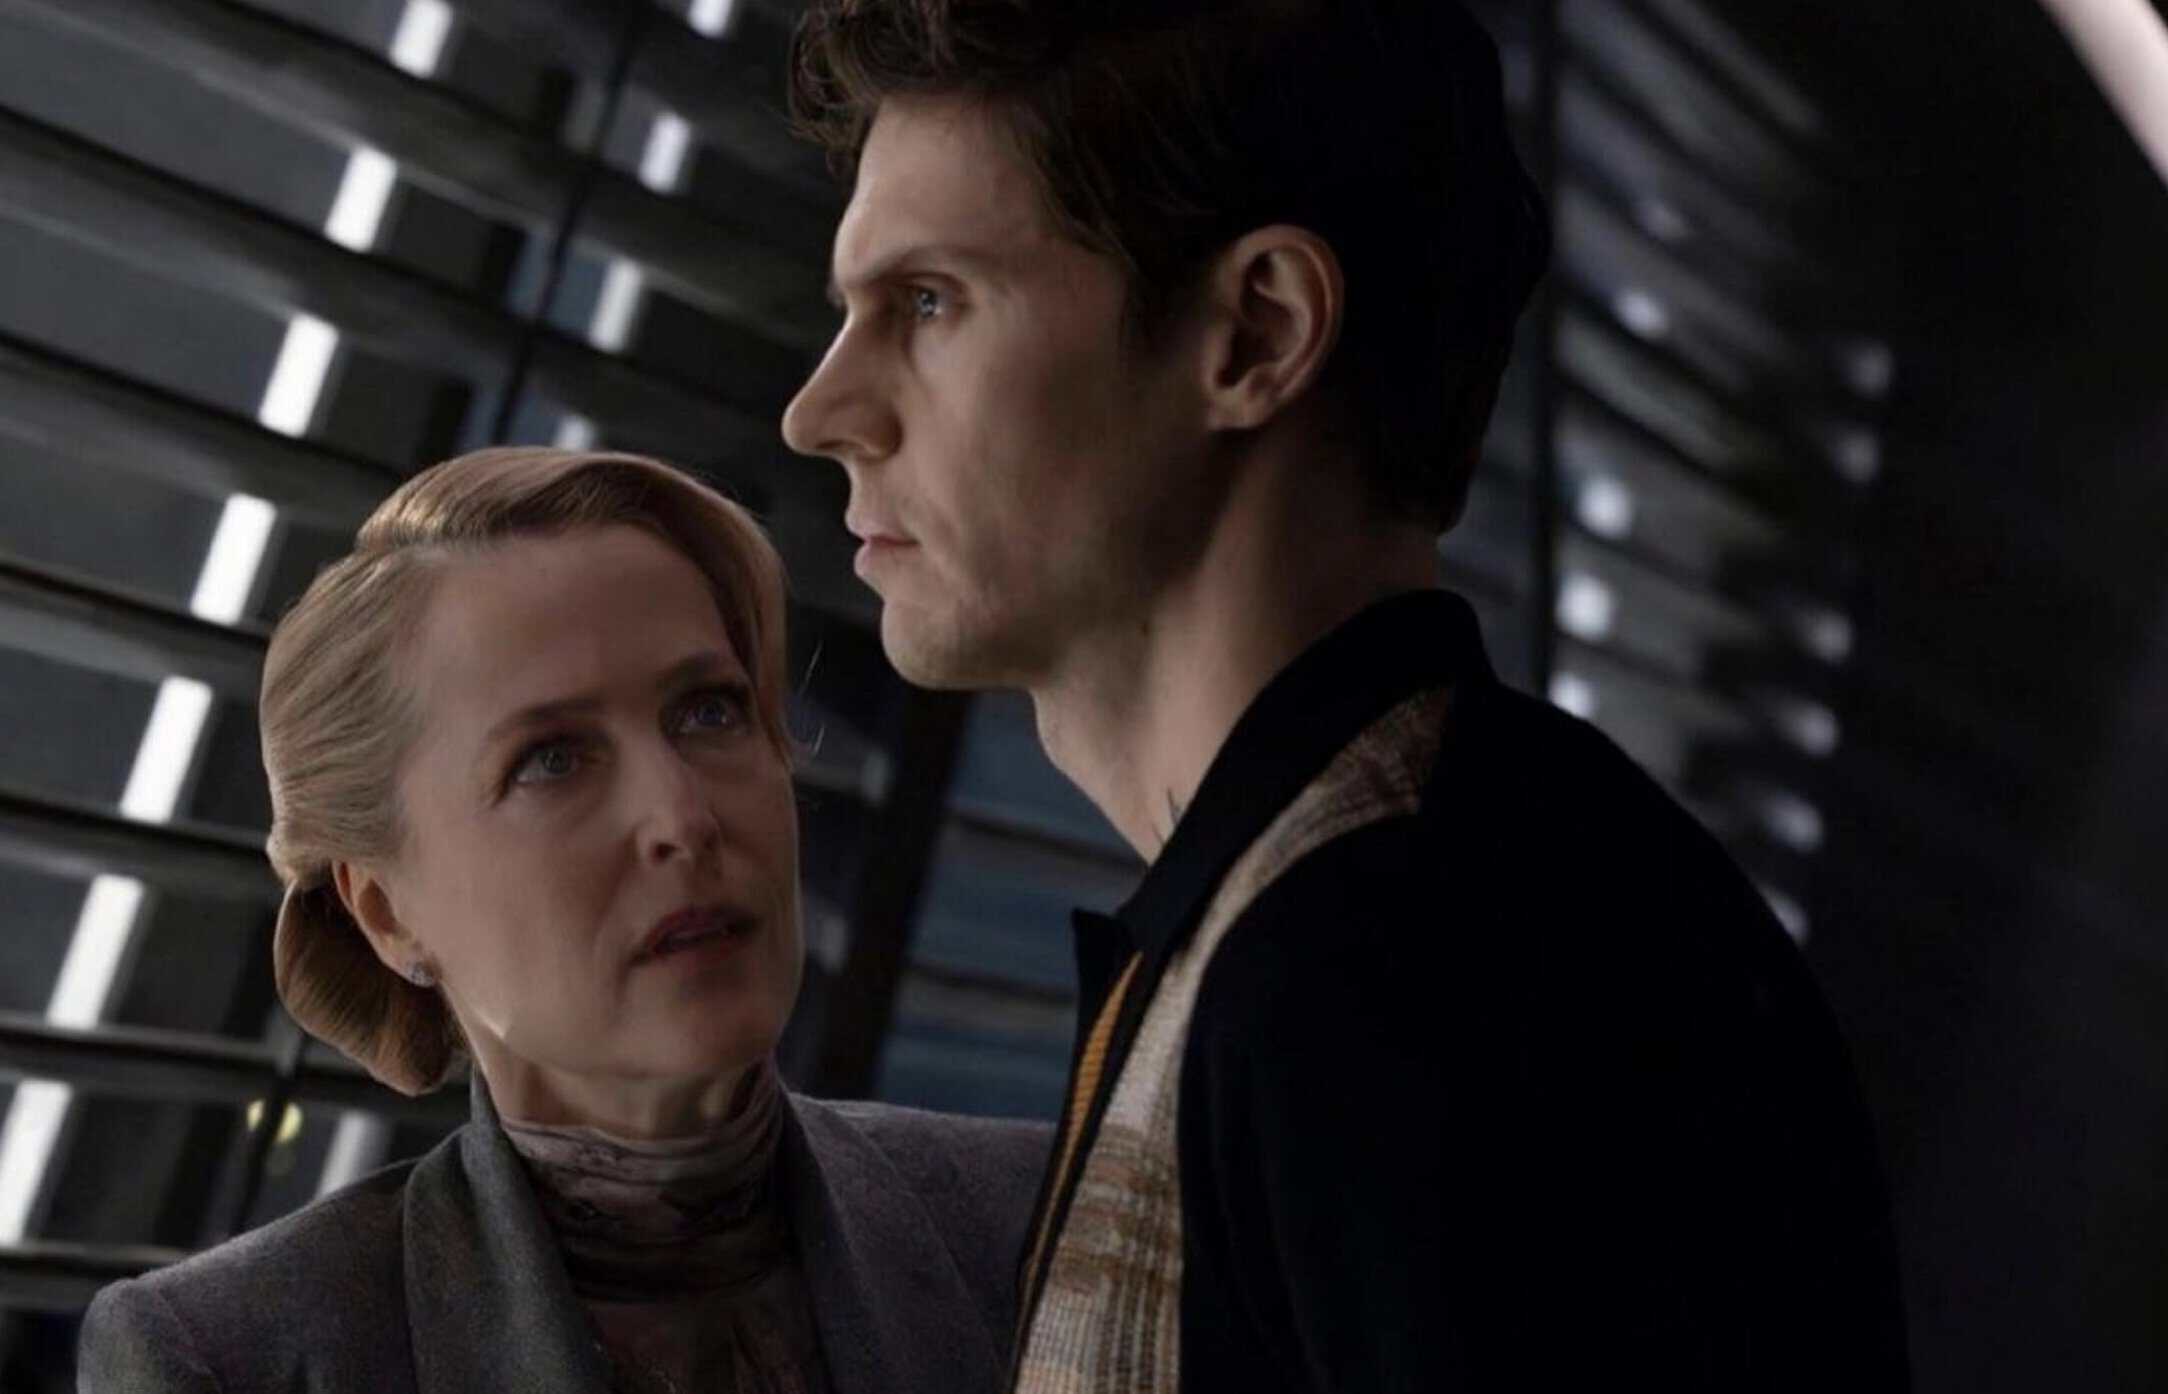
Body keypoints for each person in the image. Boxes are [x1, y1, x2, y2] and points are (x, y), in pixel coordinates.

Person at [780, 3, 1909, 1390]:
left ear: (1256, 331)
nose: (818, 412)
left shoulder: (1406, 973)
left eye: (929, 302)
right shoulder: (1370, 911)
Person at [77, 448, 1050, 1394]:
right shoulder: (237, 1362)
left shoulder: (1039, 1217)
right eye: (551, 759)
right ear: (385, 912)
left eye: (709, 712)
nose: (681, 818)